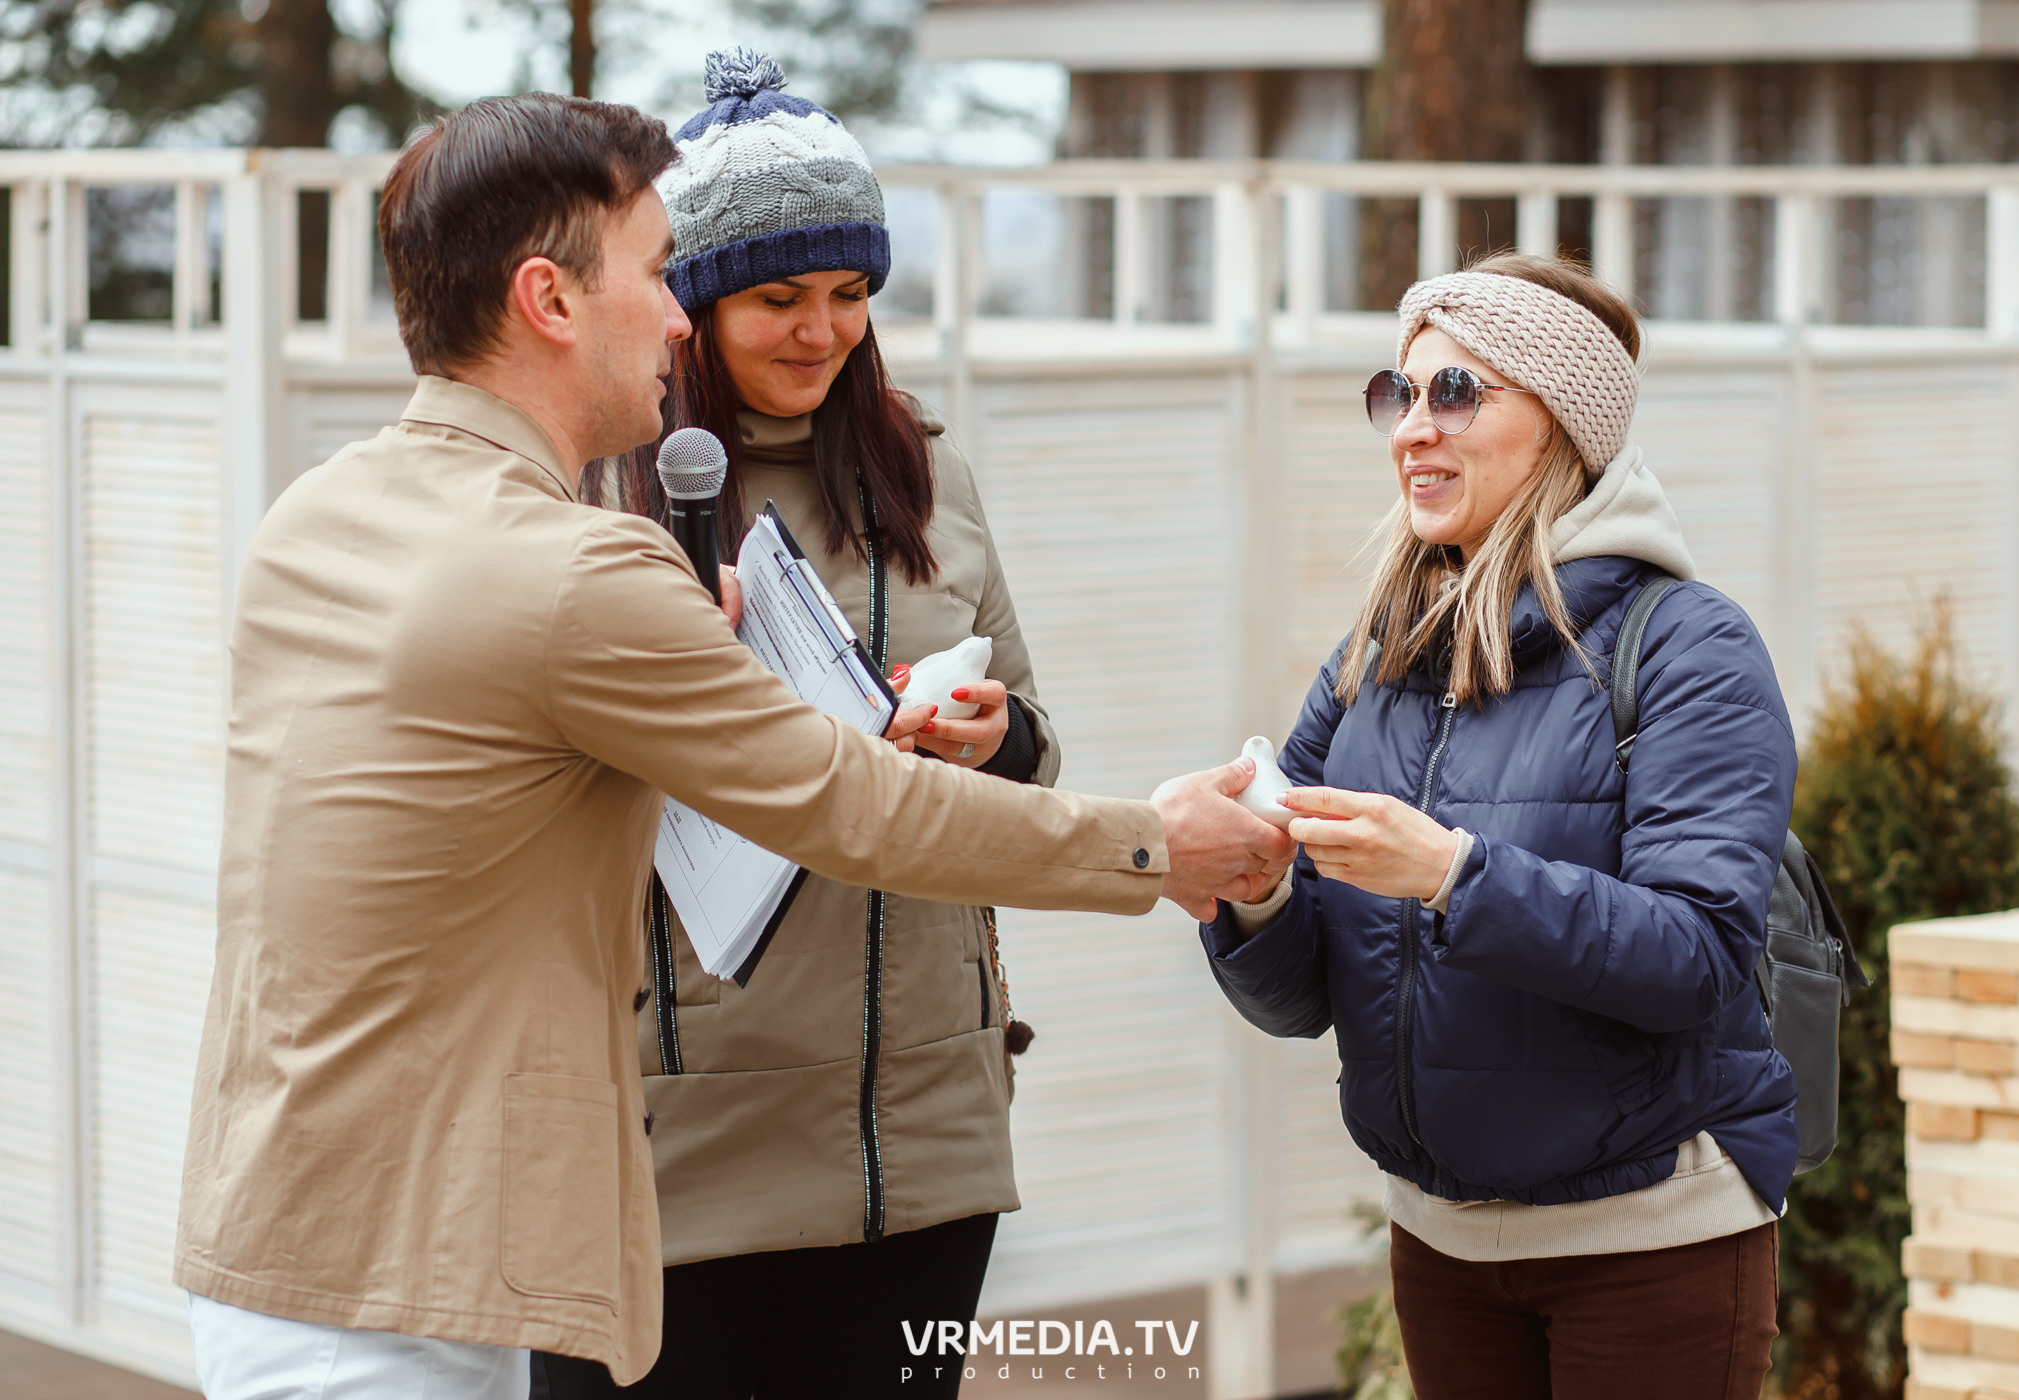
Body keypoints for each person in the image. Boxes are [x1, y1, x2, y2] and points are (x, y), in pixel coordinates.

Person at [174, 92, 1293, 1400]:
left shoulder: (327, 512)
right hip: (432, 1280)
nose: (673, 311)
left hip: (302, 1241)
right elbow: (852, 806)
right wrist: (1162, 849)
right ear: (549, 299)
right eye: (659, 273)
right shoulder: (574, 566)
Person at [524, 50, 1052, 1400]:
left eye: (849, 293)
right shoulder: (585, 497)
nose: (821, 330)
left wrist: (994, 739)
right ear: (688, 303)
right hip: (666, 1146)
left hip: (922, 1144)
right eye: (777, 297)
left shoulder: (930, 473)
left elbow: (1043, 751)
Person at [1200, 253, 1797, 1399]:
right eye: (1400, 392)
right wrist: (1251, 891)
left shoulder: (1688, 647)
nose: (1413, 428)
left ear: (1562, 423)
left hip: (1651, 1239)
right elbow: (1301, 1002)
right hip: (1441, 1242)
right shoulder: (1377, 651)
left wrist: (1452, 874)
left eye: (1457, 392)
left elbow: (1702, 956)